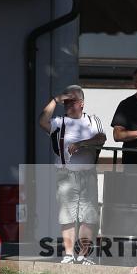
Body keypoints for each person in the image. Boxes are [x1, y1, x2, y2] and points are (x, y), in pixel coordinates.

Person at [39, 85, 106, 264]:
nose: (68, 105)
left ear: (82, 104)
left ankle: (84, 255)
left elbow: (101, 138)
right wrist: (55, 100)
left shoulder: (92, 121)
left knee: (88, 216)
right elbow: (42, 121)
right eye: (66, 102)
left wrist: (82, 143)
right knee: (67, 216)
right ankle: (69, 253)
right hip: (66, 174)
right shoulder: (59, 122)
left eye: (72, 101)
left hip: (88, 174)